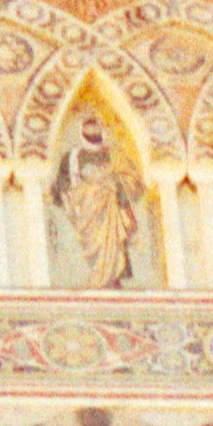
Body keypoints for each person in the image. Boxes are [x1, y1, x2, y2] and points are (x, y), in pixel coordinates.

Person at [49, 108, 146, 291]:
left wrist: (111, 183)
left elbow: (131, 182)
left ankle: (113, 277)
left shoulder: (113, 155)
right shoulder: (71, 157)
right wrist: (74, 197)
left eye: (96, 130)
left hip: (110, 210)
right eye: (89, 131)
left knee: (113, 243)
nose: (93, 134)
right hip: (85, 212)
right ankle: (96, 275)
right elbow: (60, 187)